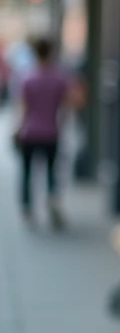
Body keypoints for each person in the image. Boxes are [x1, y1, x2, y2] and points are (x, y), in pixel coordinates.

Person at [12, 37, 79, 229]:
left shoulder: (26, 77)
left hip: (29, 132)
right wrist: (62, 125)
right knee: (50, 171)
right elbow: (67, 105)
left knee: (26, 172)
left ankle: (27, 210)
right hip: (51, 131)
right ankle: (52, 200)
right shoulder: (59, 77)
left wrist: (17, 129)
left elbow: (22, 108)